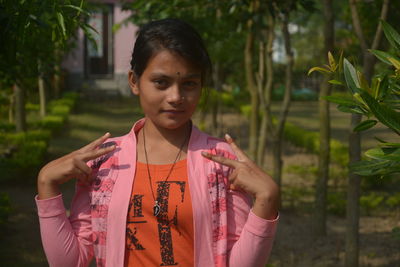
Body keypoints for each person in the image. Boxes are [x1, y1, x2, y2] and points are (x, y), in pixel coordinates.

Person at [36, 18, 279, 267]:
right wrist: (47, 184)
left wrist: (267, 200)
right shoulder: (104, 163)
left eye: (189, 84)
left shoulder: (221, 162)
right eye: (161, 83)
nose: (176, 97)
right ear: (134, 81)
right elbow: (70, 262)